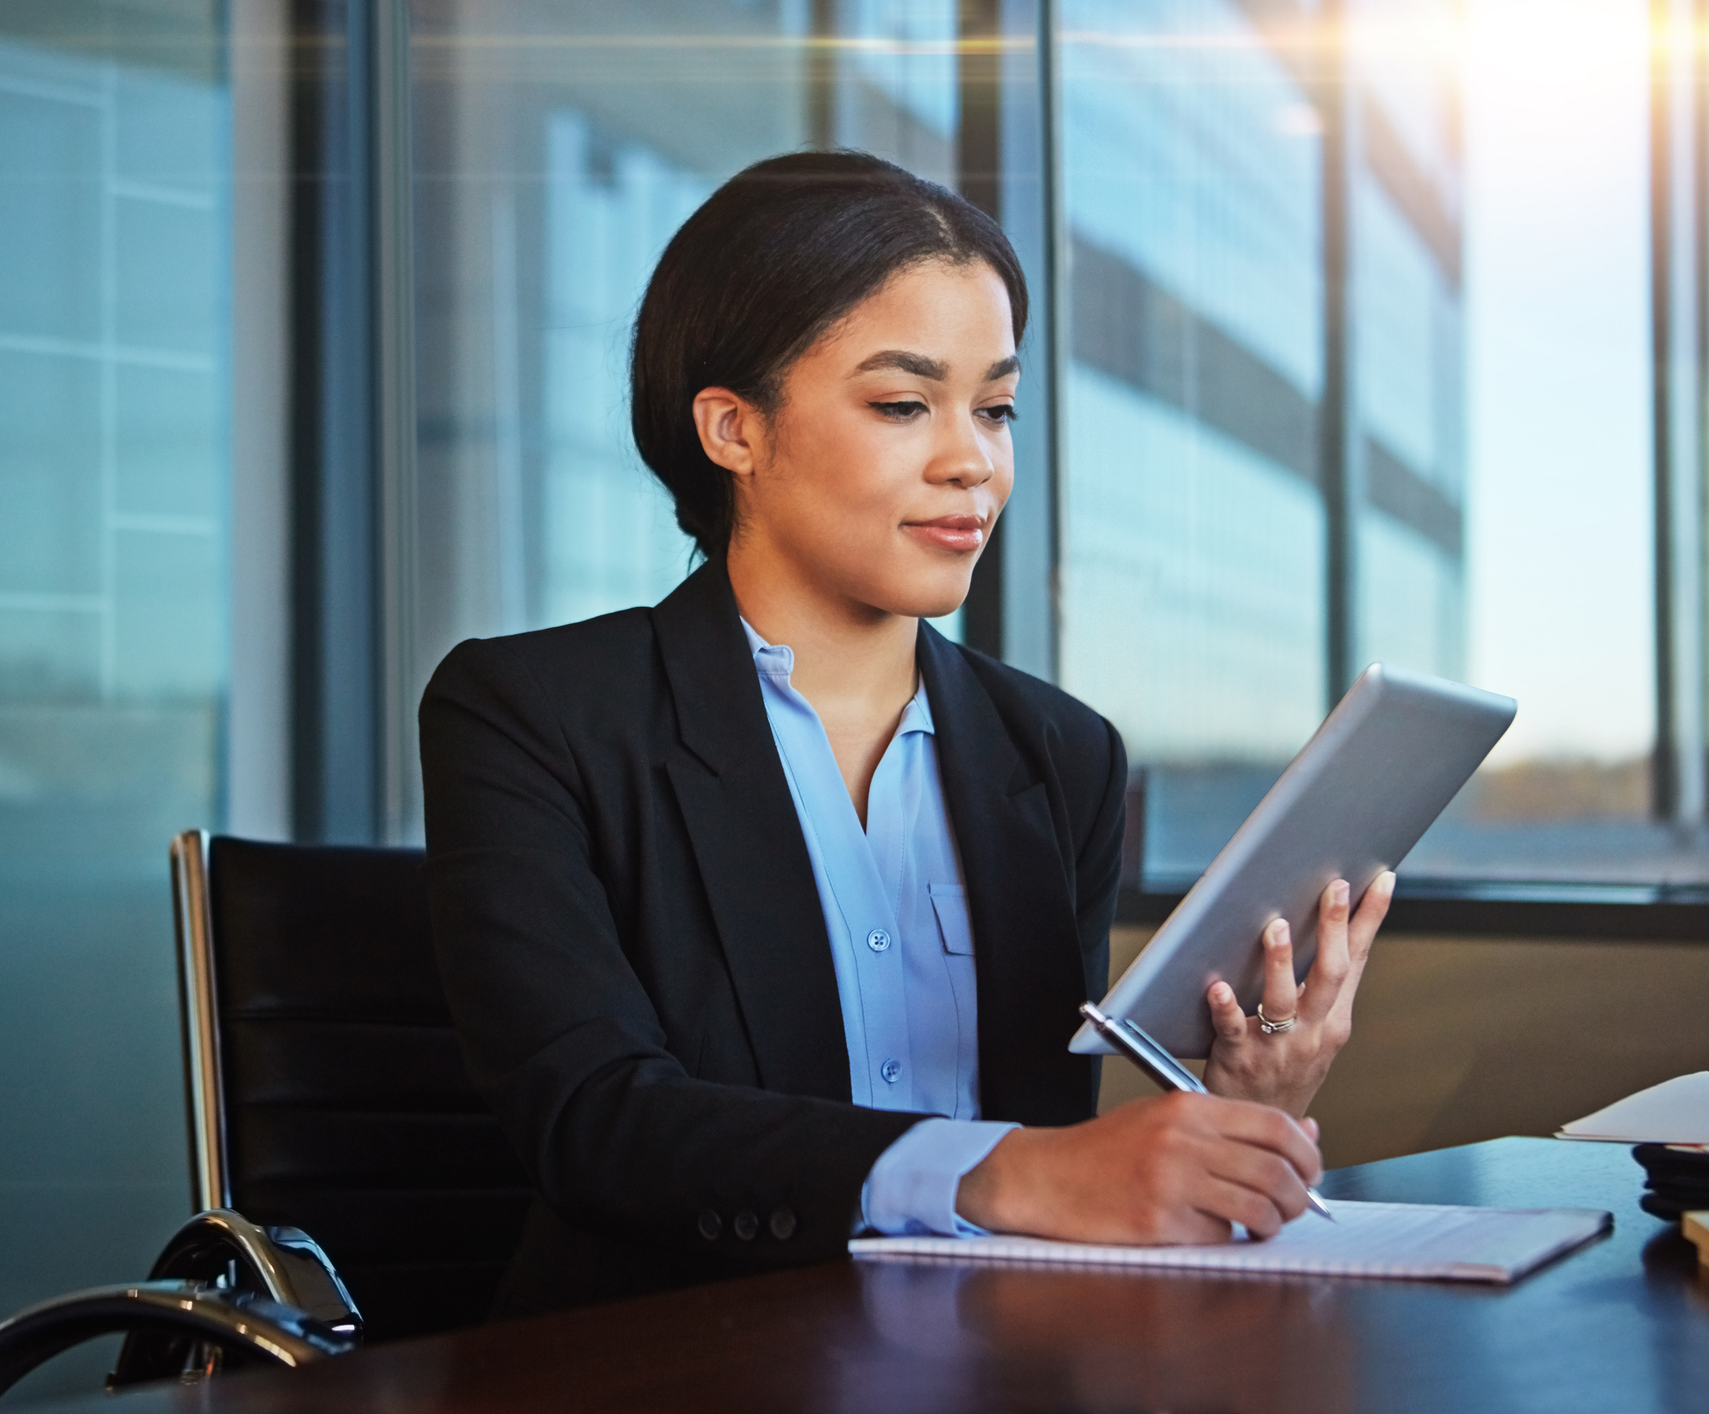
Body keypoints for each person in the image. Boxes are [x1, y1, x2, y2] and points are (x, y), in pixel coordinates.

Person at [419, 150, 1394, 1318]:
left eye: (996, 408)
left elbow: (1054, 1163)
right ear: (732, 428)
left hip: (998, 1355)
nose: (972, 460)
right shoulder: (532, 714)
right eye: (901, 404)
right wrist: (1004, 1170)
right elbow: (595, 1119)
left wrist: (1245, 1104)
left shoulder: (1062, 755)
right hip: (675, 1353)